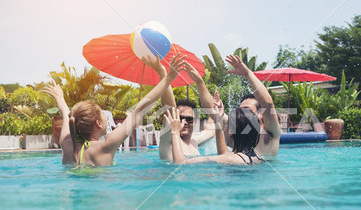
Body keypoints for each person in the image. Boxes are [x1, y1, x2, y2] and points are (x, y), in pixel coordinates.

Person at [42, 54, 185, 167]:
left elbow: (67, 116)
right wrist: (168, 78)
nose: (105, 118)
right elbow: (139, 110)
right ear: (98, 123)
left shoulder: (66, 143)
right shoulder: (106, 145)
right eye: (103, 115)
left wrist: (60, 98)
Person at [142, 55, 215, 161]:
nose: (184, 122)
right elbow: (170, 110)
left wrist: (200, 82)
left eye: (189, 119)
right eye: (180, 118)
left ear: (195, 122)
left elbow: (212, 121)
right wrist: (162, 73)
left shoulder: (195, 140)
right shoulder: (168, 139)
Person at [219, 55, 281, 157]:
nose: (241, 114)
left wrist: (247, 73)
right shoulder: (237, 128)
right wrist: (200, 82)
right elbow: (212, 109)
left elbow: (268, 104)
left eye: (247, 110)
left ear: (261, 114)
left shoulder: (270, 132)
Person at [165, 105, 263, 165]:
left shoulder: (231, 159)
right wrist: (217, 121)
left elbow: (180, 163)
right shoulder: (255, 156)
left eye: (226, 125)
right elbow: (224, 154)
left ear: (231, 132)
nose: (224, 128)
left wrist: (174, 132)